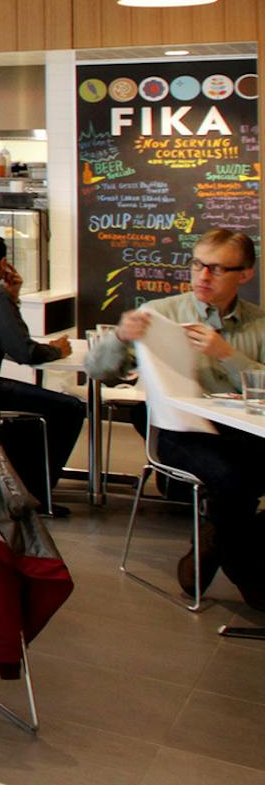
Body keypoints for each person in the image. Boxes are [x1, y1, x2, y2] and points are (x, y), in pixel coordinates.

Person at [85, 228, 265, 603]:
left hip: (245, 431)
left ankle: (216, 534)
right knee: (236, 479)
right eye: (198, 264)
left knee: (239, 480)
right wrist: (119, 338)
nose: (203, 277)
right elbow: (100, 373)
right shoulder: (161, 314)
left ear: (245, 274)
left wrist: (228, 356)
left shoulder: (259, 323)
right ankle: (252, 578)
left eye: (218, 269)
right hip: (177, 430)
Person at [0, 232, 81, 515]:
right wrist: (57, 350)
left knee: (36, 406)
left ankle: (20, 483)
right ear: (4, 262)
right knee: (68, 408)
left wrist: (13, 298)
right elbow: (23, 352)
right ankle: (34, 491)